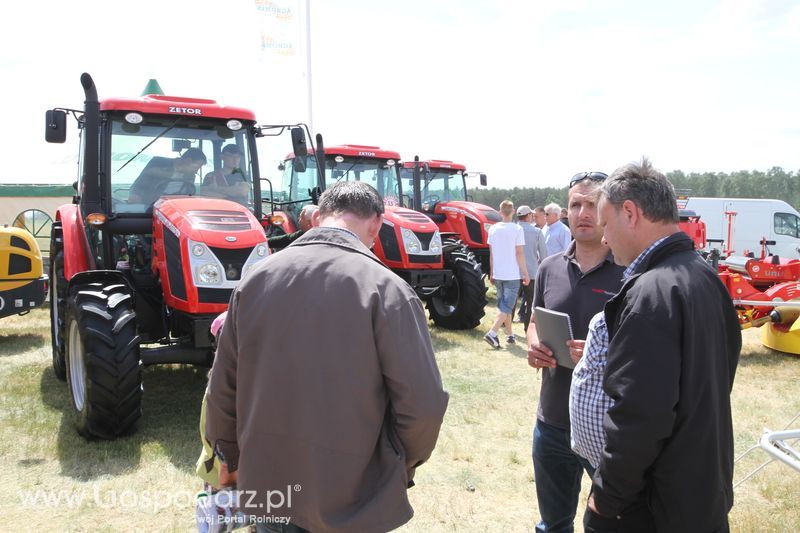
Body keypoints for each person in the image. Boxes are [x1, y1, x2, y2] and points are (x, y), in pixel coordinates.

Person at [205, 181, 449, 532]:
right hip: (355, 498)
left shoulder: (255, 279)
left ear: (317, 218)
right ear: (376, 224)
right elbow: (423, 404)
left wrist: (228, 454)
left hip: (271, 490)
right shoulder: (388, 290)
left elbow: (221, 388)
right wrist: (399, 463)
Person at [584, 158, 741, 532]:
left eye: (606, 224)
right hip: (699, 492)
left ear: (630, 213)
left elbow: (640, 416)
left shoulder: (651, 293)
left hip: (655, 507)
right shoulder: (704, 276)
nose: (604, 238)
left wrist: (605, 498)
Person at [526, 172, 625, 532]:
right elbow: (534, 320)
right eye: (575, 204)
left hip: (606, 428)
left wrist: (601, 356)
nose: (582, 212)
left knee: (612, 524)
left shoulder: (630, 274)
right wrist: (532, 344)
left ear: (606, 211)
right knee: (553, 524)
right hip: (551, 421)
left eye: (591, 204)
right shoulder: (549, 267)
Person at [484, 200, 530, 349]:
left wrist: (491, 272)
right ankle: (492, 333)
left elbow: (491, 254)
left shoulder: (493, 229)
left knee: (504, 305)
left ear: (500, 212)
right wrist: (525, 273)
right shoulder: (517, 229)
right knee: (507, 306)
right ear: (514, 211)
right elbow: (519, 253)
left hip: (498, 273)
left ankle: (509, 334)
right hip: (512, 274)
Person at [129, 148, 207, 205]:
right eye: (196, 167)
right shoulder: (159, 162)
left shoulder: (190, 175)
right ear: (188, 161)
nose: (196, 171)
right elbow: (139, 184)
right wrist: (135, 196)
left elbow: (188, 195)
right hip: (149, 206)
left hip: (172, 208)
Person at [514, 205, 547, 331]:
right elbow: (543, 254)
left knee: (511, 301)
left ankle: (508, 329)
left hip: (514, 272)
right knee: (530, 302)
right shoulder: (537, 231)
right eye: (531, 214)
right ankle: (527, 327)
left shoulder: (513, 230)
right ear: (528, 216)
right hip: (532, 272)